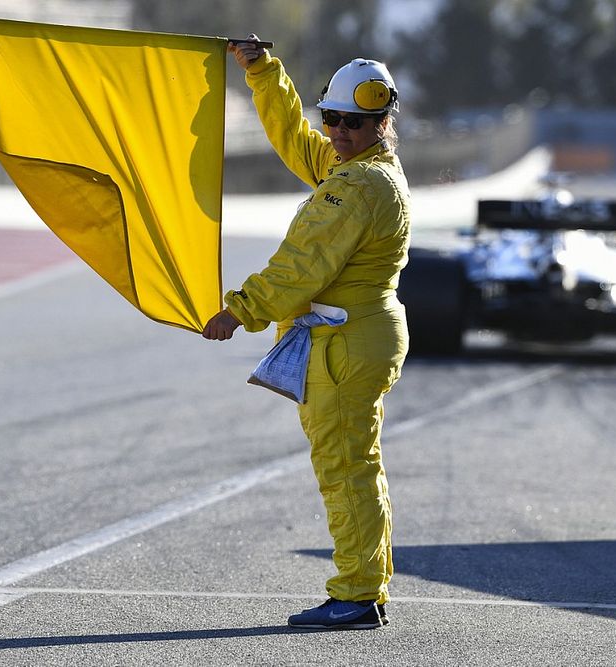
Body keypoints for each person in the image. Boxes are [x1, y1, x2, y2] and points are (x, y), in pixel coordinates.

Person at [203, 36, 410, 631]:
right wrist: (263, 72)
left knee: (346, 469)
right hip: (353, 334)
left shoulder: (359, 186)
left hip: (345, 342)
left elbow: (302, 263)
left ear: (381, 121)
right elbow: (296, 141)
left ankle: (356, 593)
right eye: (333, 119)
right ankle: (364, 587)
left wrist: (242, 309)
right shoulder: (361, 166)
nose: (339, 131)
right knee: (355, 464)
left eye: (356, 121)